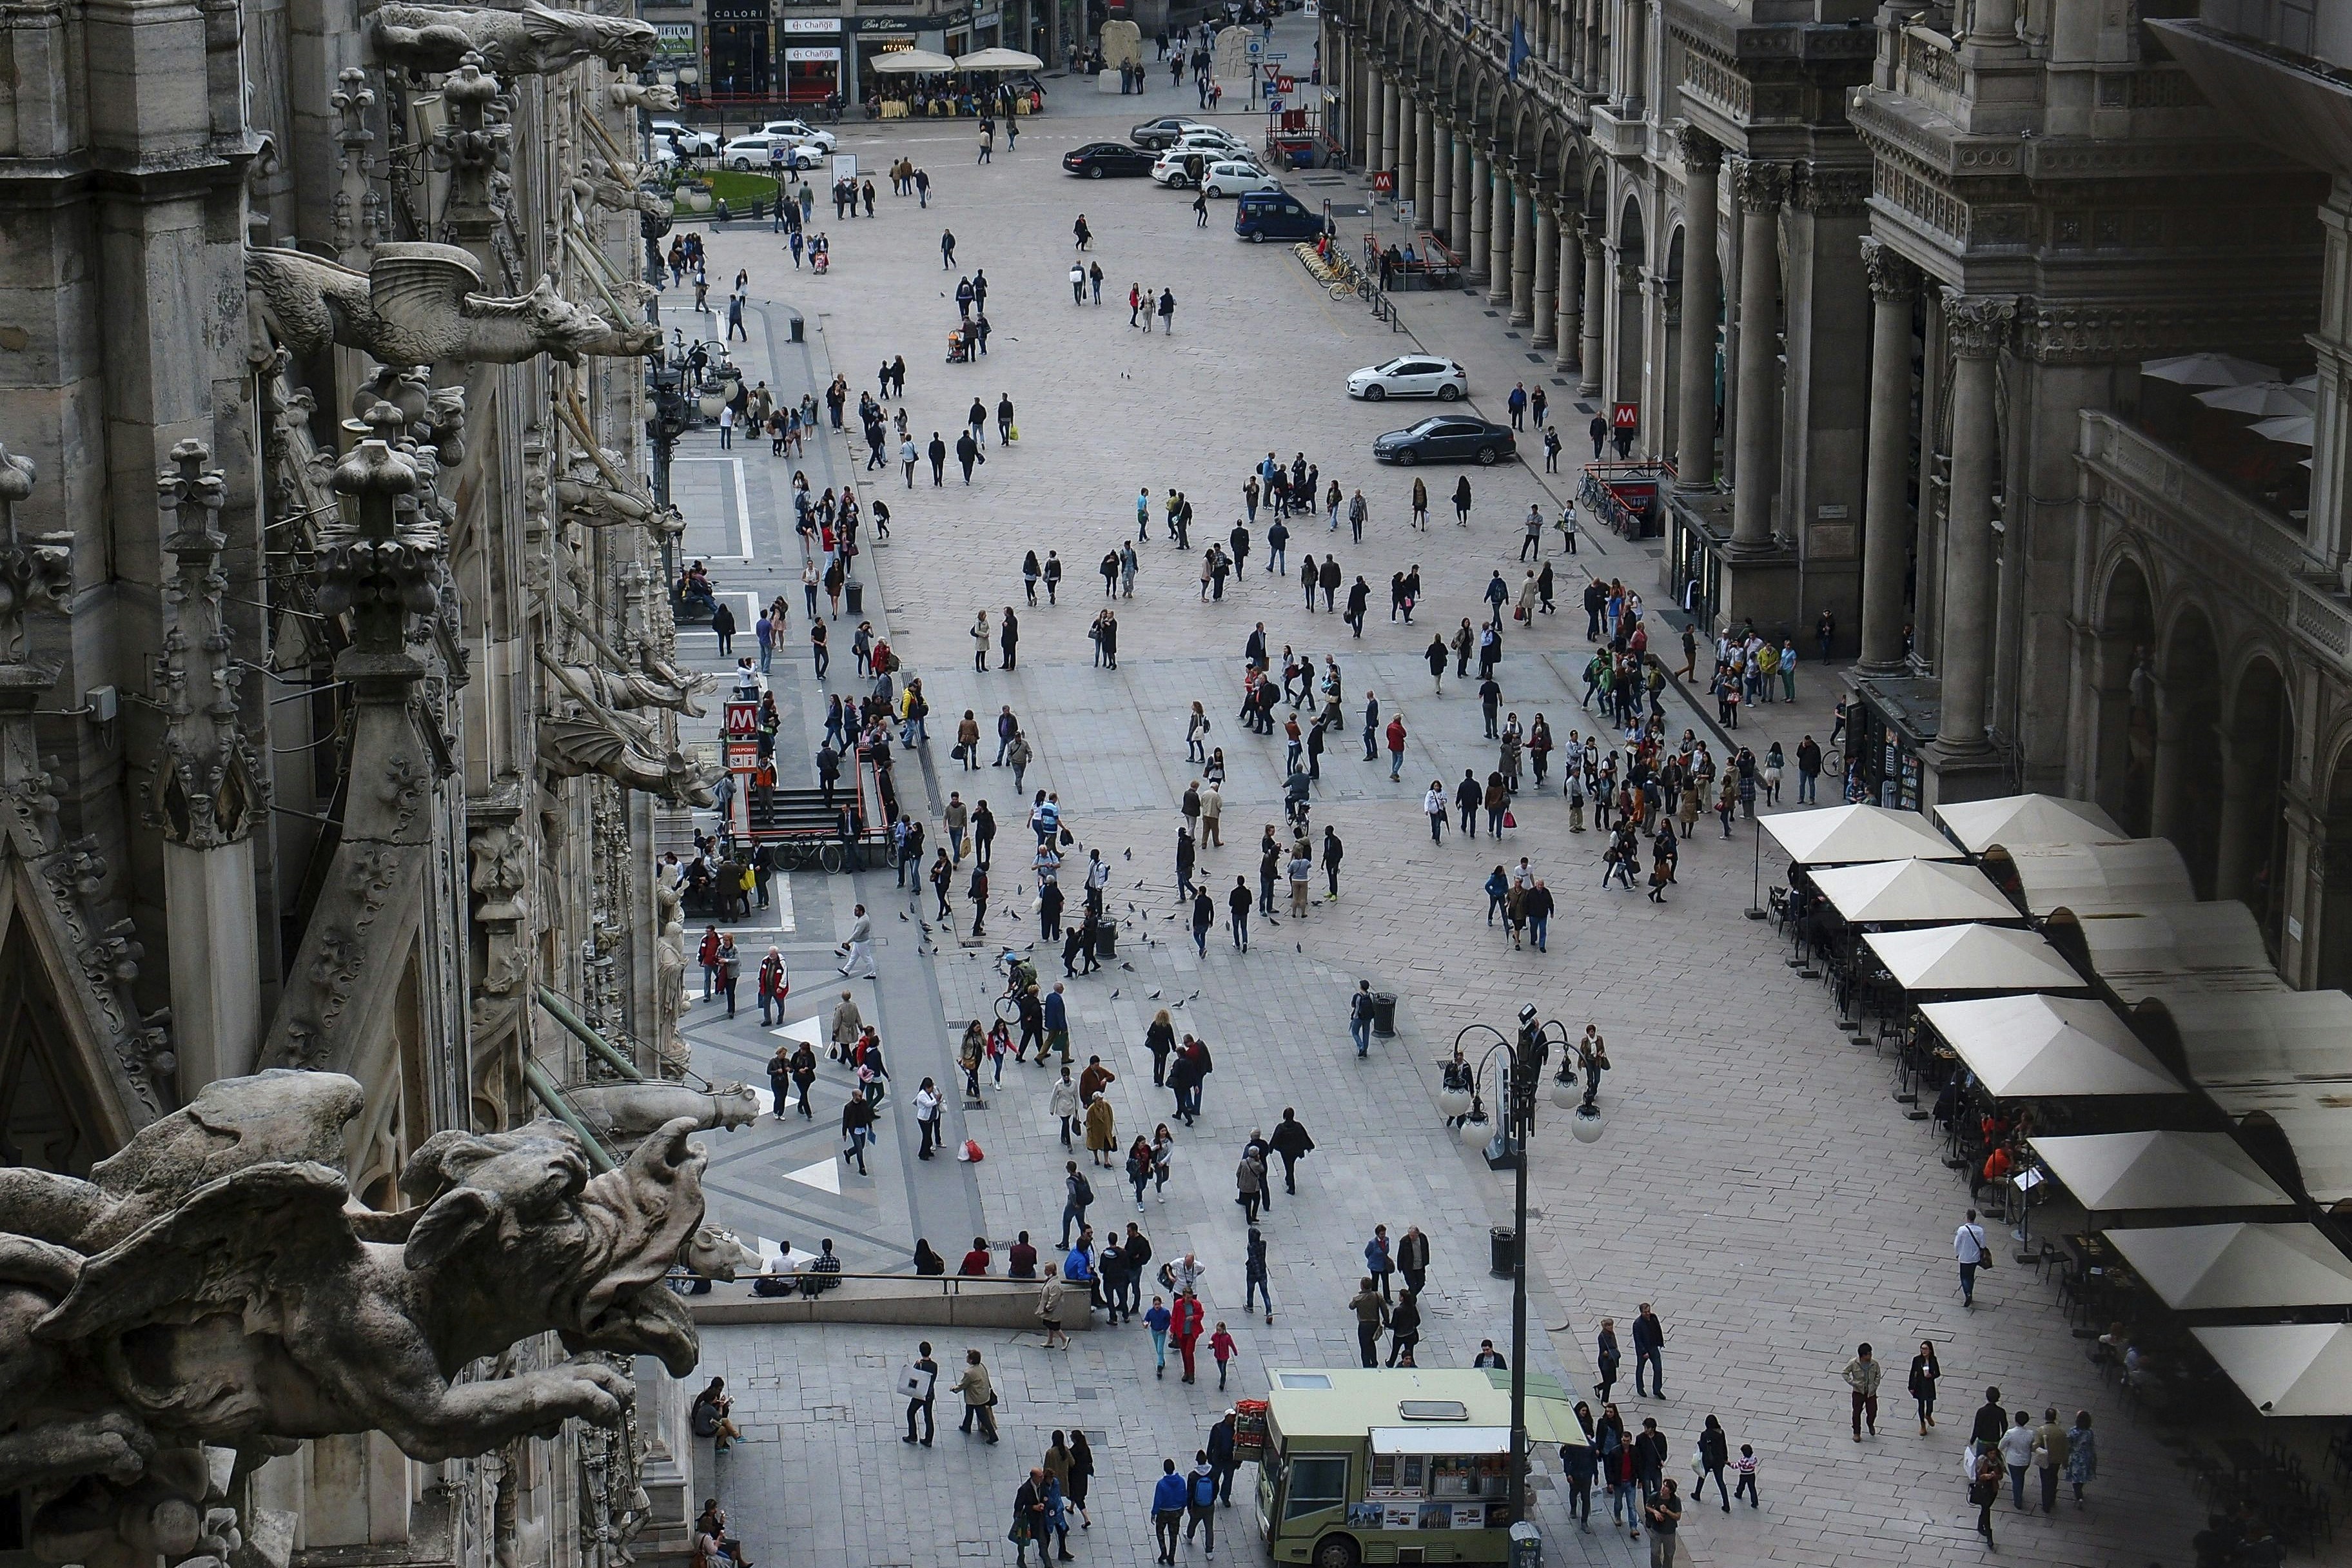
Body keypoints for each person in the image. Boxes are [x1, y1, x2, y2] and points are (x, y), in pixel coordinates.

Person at [1841, 1342, 1881, 1440]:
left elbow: (1878, 1375)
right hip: (1858, 1392)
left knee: (1873, 1411)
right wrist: (1853, 1383)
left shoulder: (1874, 1364)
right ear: (1863, 1356)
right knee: (1856, 1413)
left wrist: (1875, 1386)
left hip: (1871, 1392)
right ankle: (1856, 1432)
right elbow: (1845, 1373)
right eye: (1868, 1354)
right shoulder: (1854, 1363)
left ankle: (1870, 1423)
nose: (1870, 1355)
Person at [1150, 1458, 1187, 1563]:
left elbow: (1158, 1500)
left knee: (1160, 1532)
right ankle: (1171, 1557)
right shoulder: (1181, 1481)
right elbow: (1185, 1496)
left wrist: (1154, 1513)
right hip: (1176, 1512)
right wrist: (1183, 1508)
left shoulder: (1161, 1484)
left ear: (1164, 1469)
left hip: (1163, 1512)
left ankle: (1163, 1553)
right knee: (1174, 1534)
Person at [689, 1377, 741, 1451]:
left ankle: (736, 1436)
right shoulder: (707, 1400)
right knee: (725, 1427)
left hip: (707, 1419)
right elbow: (718, 1416)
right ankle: (720, 1443)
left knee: (725, 1417)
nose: (720, 1392)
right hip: (705, 1426)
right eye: (720, 1389)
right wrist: (721, 1406)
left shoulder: (710, 1397)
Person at [1998, 1408, 2035, 1511]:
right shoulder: (2031, 1434)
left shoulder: (2010, 1433)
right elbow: (2032, 1447)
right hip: (2025, 1461)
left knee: (2016, 1480)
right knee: (2020, 1477)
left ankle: (2017, 1500)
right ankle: (2019, 1494)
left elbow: (2001, 1445)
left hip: (2013, 1461)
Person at [903, 1341, 939, 1445]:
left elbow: (914, 1377)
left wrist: (916, 1365)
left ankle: (913, 1436)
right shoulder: (934, 1365)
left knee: (911, 1412)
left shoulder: (920, 1365)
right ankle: (928, 1440)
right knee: (928, 1416)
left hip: (920, 1394)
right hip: (930, 1394)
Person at [1955, 1208, 1992, 1306]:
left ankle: (1968, 1293)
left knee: (1964, 1277)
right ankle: (1970, 1291)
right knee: (1971, 1276)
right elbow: (1983, 1245)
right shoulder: (1980, 1230)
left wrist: (1957, 1253)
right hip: (1975, 1258)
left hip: (1964, 1257)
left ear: (1967, 1217)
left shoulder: (1962, 1230)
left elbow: (1957, 1244)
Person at [1643, 1478, 1683, 1567]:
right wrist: (1655, 1512)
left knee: (1669, 1554)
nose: (1663, 1488)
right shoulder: (1655, 1496)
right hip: (1656, 1530)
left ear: (1671, 1491)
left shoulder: (1676, 1501)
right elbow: (1648, 1506)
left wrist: (1667, 1511)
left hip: (1669, 1532)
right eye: (1663, 1485)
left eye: (1666, 1487)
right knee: (1655, 1553)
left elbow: (1678, 1516)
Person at [1349, 1276, 1387, 1367]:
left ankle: (1366, 1365)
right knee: (1372, 1343)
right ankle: (1374, 1361)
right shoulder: (1378, 1296)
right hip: (1375, 1323)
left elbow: (1351, 1306)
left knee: (1364, 1346)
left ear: (1362, 1286)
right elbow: (1384, 1309)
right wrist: (1386, 1319)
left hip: (1364, 1325)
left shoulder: (1358, 1299)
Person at [1694, 1416, 1730, 1510]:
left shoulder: (1705, 1434)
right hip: (1719, 1461)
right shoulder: (1721, 1432)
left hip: (1708, 1460)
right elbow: (1724, 1446)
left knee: (1702, 1476)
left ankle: (1697, 1494)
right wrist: (1725, 1458)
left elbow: (1702, 1447)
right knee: (1720, 1481)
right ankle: (1726, 1504)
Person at [2063, 1409, 2096, 1505]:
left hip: (2076, 1457)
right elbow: (2091, 1445)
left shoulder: (2074, 1431)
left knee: (2075, 1477)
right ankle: (2080, 1492)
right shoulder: (2090, 1432)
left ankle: (2079, 1497)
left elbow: (2069, 1444)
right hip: (2087, 1457)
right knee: (2083, 1476)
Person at [1908, 1340, 1941, 1434]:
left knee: (1930, 1403)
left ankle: (1928, 1415)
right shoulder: (1917, 1360)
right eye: (1922, 1349)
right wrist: (1911, 1386)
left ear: (1930, 1350)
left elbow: (1938, 1373)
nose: (1924, 1351)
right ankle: (1922, 1424)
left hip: (1929, 1385)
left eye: (1926, 1349)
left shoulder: (1933, 1360)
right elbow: (1912, 1373)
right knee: (1921, 1404)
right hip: (1920, 1385)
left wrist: (1932, 1376)